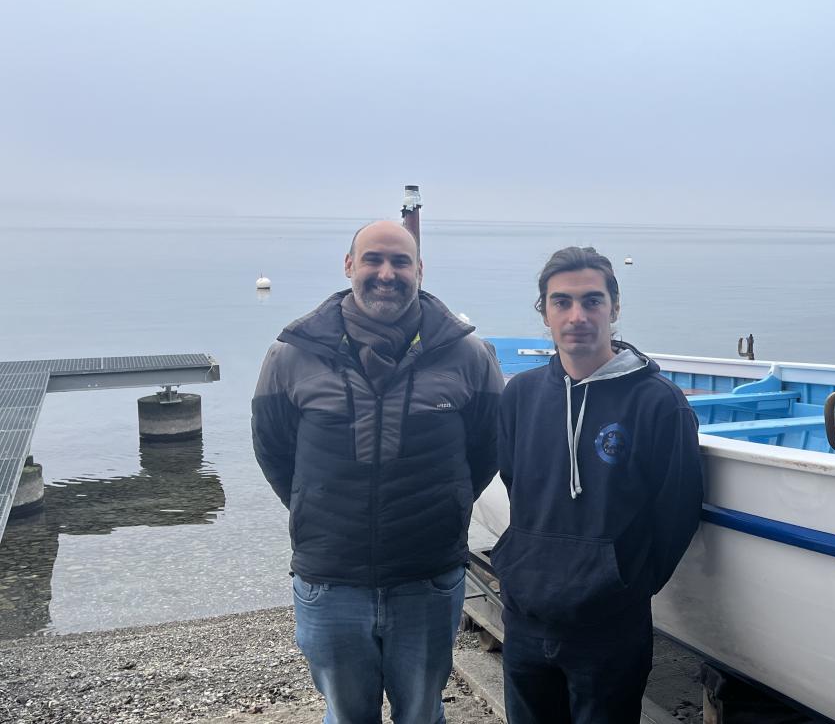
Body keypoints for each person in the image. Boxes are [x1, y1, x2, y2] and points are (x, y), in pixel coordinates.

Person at [252, 220, 503, 724]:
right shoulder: (292, 354)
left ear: (419, 270)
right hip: (330, 579)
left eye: (400, 262)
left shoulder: (468, 355)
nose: (386, 273)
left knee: (421, 713)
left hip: (428, 577)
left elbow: (487, 449)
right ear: (349, 265)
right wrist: (318, 509)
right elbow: (275, 453)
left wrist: (447, 506)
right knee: (346, 715)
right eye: (373, 259)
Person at [493, 246, 704, 724]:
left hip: (610, 626)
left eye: (592, 301)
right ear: (543, 312)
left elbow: (676, 512)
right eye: (561, 302)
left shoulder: (658, 403)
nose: (577, 316)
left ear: (614, 306)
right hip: (526, 617)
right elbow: (516, 484)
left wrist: (627, 583)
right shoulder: (521, 395)